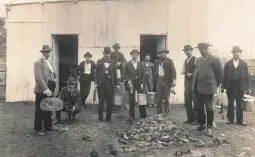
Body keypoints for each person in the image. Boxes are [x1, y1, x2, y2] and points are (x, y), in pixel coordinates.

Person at [192, 42, 223, 137]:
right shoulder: (199, 60)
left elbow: (220, 75)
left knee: (209, 108)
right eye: (199, 50)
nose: (200, 51)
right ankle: (202, 124)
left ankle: (209, 127)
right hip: (198, 88)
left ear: (207, 49)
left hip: (209, 88)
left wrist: (214, 86)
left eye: (202, 49)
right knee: (200, 108)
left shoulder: (214, 59)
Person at [221, 46, 250, 126]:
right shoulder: (228, 64)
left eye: (237, 52)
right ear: (232, 53)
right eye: (234, 52)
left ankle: (240, 120)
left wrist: (247, 88)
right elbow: (225, 76)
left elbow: (247, 77)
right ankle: (230, 119)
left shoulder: (244, 64)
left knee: (239, 103)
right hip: (230, 86)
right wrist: (223, 87)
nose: (235, 54)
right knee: (230, 102)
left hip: (240, 86)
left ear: (240, 53)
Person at [34, 45, 58, 136]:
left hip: (51, 87)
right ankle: (39, 128)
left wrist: (55, 78)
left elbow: (54, 73)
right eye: (46, 52)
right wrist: (46, 89)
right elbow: (38, 78)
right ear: (42, 53)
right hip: (42, 89)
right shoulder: (38, 63)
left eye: (49, 52)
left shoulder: (51, 62)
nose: (47, 53)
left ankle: (48, 126)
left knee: (49, 107)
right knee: (40, 108)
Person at [95, 47, 119, 122]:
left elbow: (115, 74)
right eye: (106, 54)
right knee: (101, 101)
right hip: (101, 84)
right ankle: (100, 118)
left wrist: (117, 84)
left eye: (108, 54)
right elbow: (96, 74)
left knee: (109, 101)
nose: (107, 56)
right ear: (103, 53)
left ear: (110, 54)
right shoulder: (99, 62)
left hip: (110, 84)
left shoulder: (113, 62)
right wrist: (96, 83)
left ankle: (108, 118)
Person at [124, 49, 147, 120]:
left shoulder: (140, 64)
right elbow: (125, 74)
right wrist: (129, 81)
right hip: (131, 84)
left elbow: (143, 74)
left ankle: (143, 116)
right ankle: (131, 116)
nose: (135, 56)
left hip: (139, 83)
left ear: (137, 55)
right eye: (134, 55)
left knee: (141, 99)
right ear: (131, 55)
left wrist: (142, 83)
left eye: (136, 55)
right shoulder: (127, 64)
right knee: (131, 99)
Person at [154, 48, 176, 115]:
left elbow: (173, 71)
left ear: (165, 53)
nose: (162, 55)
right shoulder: (156, 61)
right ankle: (159, 114)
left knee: (166, 98)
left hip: (166, 81)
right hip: (159, 81)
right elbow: (154, 72)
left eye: (163, 53)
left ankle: (167, 114)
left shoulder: (169, 61)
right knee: (158, 99)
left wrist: (174, 80)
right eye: (160, 53)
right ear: (158, 55)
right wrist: (153, 82)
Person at [181, 45, 197, 125]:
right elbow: (183, 70)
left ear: (191, 50)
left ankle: (196, 119)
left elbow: (198, 71)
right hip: (187, 83)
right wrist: (183, 72)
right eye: (185, 51)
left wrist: (192, 73)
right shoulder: (185, 61)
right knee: (187, 101)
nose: (186, 52)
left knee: (195, 101)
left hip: (194, 83)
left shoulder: (195, 59)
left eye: (188, 50)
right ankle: (189, 118)